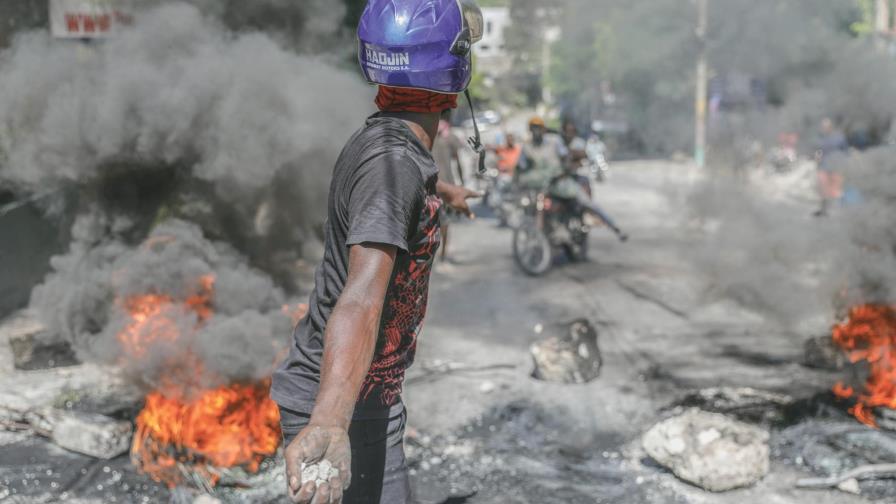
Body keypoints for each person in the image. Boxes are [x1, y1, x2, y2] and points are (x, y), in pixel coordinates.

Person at [270, 2, 483, 503]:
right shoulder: (394, 166)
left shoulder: (395, 151)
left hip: (365, 396)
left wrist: (442, 192)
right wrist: (329, 421)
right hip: (341, 401)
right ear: (453, 72)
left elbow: (393, 197)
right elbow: (361, 297)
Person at [431, 111, 465, 261]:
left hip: (428, 183)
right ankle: (443, 254)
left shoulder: (427, 133)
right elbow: (457, 161)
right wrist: (462, 182)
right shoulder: (450, 136)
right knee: (444, 221)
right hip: (446, 183)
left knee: (429, 219)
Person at [813, 118, 849, 217]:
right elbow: (818, 150)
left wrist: (843, 163)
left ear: (831, 126)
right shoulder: (820, 137)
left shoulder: (839, 137)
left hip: (836, 166)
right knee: (823, 189)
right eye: (823, 126)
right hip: (823, 166)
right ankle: (824, 210)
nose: (825, 128)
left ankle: (837, 211)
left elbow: (845, 151)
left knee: (836, 189)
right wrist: (817, 158)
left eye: (827, 126)